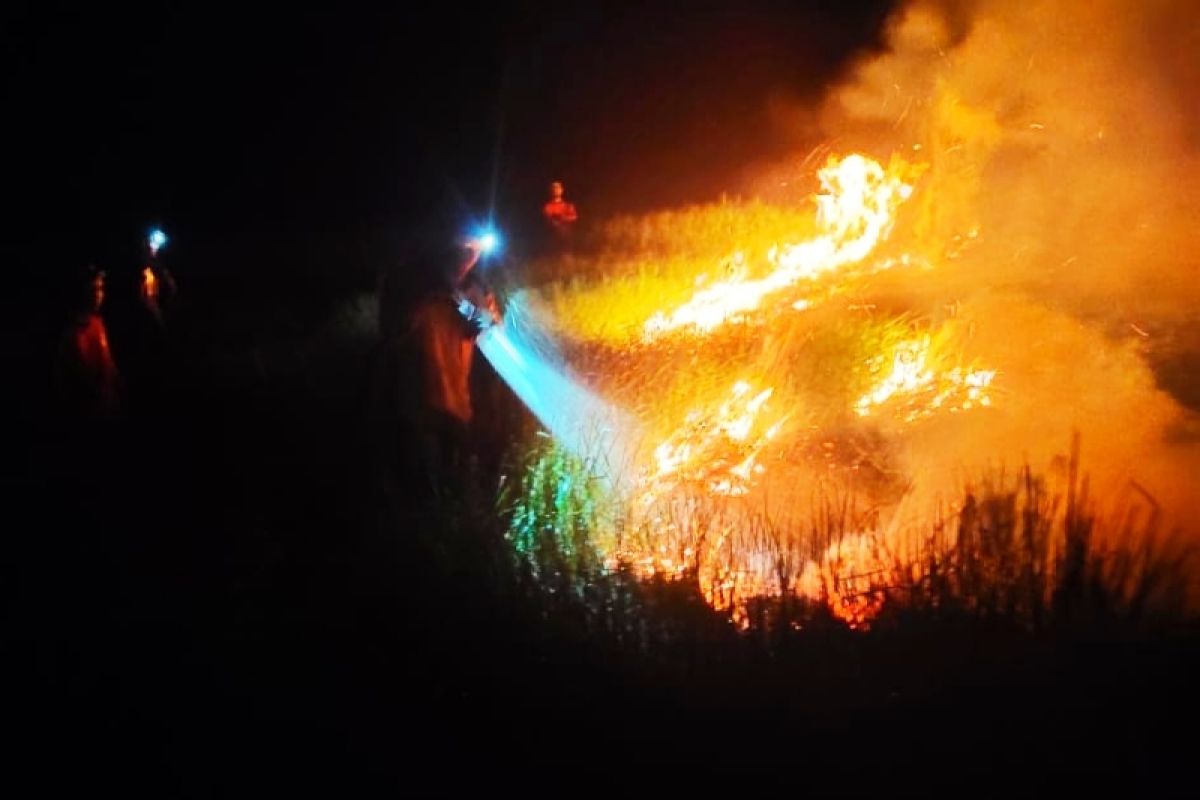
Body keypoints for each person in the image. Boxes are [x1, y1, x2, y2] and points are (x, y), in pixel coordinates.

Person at [54, 266, 122, 419]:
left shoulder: (98, 324)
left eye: (101, 288)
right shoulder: (72, 334)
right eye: (94, 288)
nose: (99, 295)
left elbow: (108, 365)